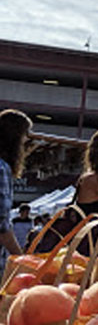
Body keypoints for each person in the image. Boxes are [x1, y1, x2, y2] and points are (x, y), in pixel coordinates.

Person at [0, 109, 31, 259]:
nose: (26, 141)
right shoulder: (1, 169)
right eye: (25, 136)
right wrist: (21, 258)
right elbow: (2, 227)